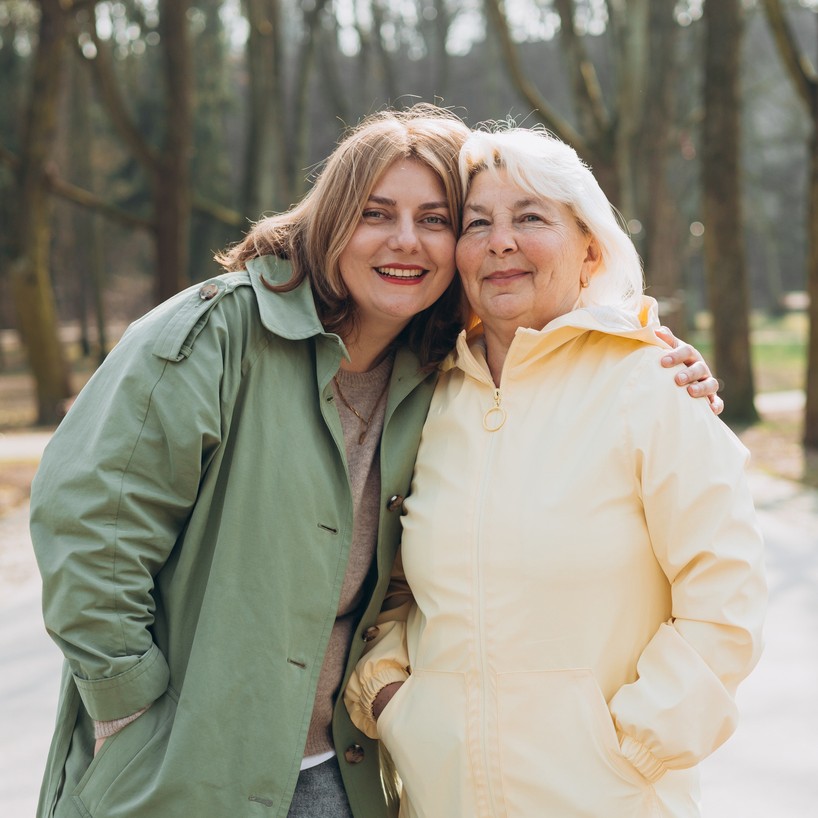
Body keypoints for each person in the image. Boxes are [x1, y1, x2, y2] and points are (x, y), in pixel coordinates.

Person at [31, 106, 720, 818]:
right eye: (377, 213)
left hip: (339, 780)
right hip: (180, 777)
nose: (406, 241)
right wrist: (127, 709)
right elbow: (90, 524)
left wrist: (648, 350)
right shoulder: (220, 332)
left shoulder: (436, 378)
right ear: (332, 220)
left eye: (436, 219)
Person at [345, 127, 767, 818]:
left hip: (609, 798)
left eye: (531, 218)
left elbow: (727, 595)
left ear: (590, 250)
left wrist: (632, 749)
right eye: (477, 224)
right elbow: (390, 583)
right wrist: (394, 701)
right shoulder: (425, 397)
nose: (500, 242)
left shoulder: (652, 385)